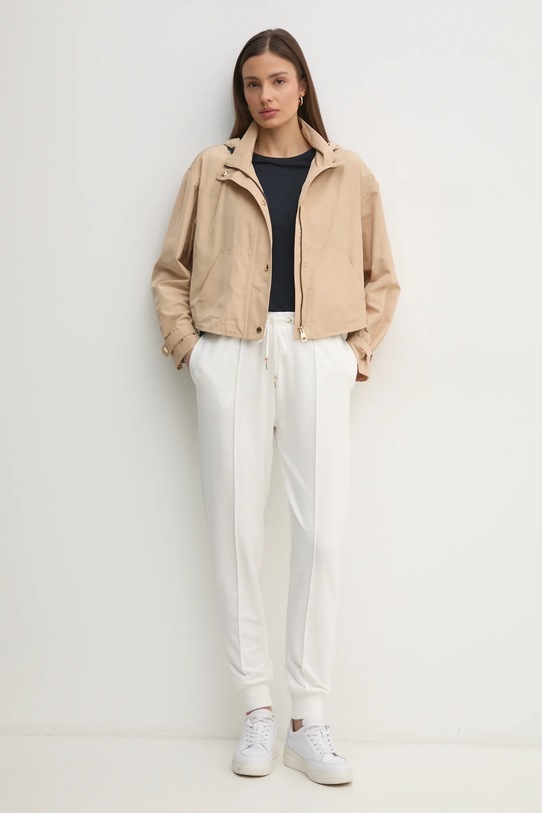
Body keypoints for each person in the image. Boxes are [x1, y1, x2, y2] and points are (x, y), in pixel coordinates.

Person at [151, 28, 399, 785]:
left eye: (279, 81)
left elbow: (381, 276)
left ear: (301, 85)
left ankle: (307, 718)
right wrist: (193, 351)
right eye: (253, 83)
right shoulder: (212, 168)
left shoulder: (347, 171)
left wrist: (354, 352)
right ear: (243, 92)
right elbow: (170, 270)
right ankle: (258, 708)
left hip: (318, 351)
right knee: (234, 531)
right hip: (231, 351)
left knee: (320, 535)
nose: (266, 95)